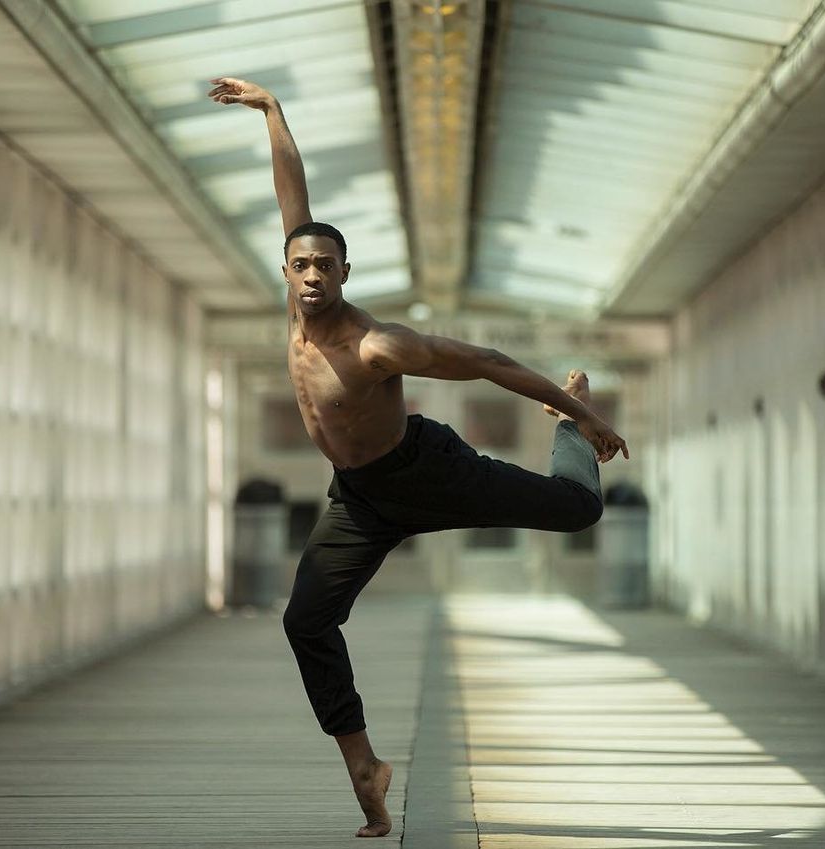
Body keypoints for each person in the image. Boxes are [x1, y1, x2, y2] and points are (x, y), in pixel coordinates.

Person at [208, 77, 630, 838]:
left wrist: (582, 414)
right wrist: (271, 110)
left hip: (428, 473)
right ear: (287, 271)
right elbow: (292, 199)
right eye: (300, 265)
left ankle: (566, 431)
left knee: (580, 509)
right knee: (306, 619)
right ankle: (363, 765)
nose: (311, 275)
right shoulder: (296, 303)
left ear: (344, 273)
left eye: (325, 267)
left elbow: (486, 359)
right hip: (360, 498)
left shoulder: (377, 344)